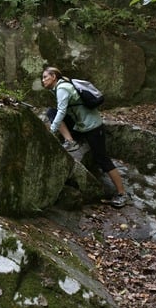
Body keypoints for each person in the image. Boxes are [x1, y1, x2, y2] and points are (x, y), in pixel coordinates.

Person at [41, 66, 130, 208]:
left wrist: (51, 130)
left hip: (93, 128)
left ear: (53, 77)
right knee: (51, 112)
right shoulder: (61, 87)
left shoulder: (62, 88)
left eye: (45, 77)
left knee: (102, 159)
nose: (43, 80)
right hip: (81, 126)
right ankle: (70, 141)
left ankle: (123, 194)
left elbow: (62, 111)